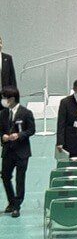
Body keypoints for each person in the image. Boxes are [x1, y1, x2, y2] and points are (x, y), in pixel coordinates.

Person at [0, 86, 34, 217]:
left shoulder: (26, 113)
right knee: (5, 176)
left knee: (20, 179)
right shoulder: (3, 114)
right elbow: (1, 130)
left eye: (4, 98)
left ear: (12, 99)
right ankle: (11, 200)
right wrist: (3, 136)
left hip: (22, 152)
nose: (3, 101)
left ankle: (17, 205)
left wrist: (19, 135)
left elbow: (31, 130)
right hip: (8, 151)